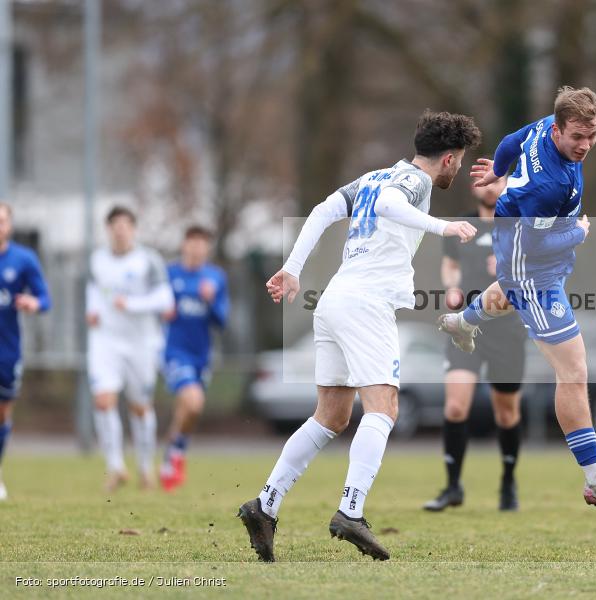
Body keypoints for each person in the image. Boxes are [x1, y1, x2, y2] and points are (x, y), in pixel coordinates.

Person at [237, 110, 481, 562]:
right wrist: (444, 227)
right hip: (366, 303)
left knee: (330, 416)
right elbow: (391, 205)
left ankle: (264, 505)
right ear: (448, 159)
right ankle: (351, 510)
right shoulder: (414, 184)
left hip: (334, 300)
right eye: (461, 160)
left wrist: (293, 269)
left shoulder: (374, 176)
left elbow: (323, 210)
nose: (460, 169)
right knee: (385, 407)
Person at [438, 86, 596, 514]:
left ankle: (465, 322)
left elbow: (511, 142)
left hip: (524, 253)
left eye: (592, 136)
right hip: (531, 268)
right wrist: (580, 233)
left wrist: (498, 170)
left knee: (508, 295)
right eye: (578, 137)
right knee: (573, 371)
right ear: (557, 130)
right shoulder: (548, 185)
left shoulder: (543, 129)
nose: (585, 145)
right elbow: (538, 245)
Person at [423, 174, 528, 512]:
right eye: (484, 182)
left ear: (505, 188)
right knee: (455, 406)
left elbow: (535, 272)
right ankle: (453, 487)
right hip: (464, 325)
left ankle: (508, 483)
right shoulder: (462, 227)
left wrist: (509, 266)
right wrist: (451, 287)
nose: (489, 187)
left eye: (496, 182)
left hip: (507, 328)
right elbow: (450, 265)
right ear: (475, 188)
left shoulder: (517, 227)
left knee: (506, 412)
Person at [87, 206, 174, 492]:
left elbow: (165, 299)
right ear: (109, 229)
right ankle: (116, 467)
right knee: (103, 401)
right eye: (115, 225)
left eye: (125, 225)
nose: (120, 230)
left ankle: (145, 467)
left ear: (133, 229)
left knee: (139, 407)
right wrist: (92, 310)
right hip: (105, 341)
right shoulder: (97, 259)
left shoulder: (148, 260)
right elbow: (94, 290)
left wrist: (132, 305)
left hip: (142, 343)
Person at [158, 226, 229, 492]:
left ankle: (172, 453)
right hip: (175, 351)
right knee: (193, 402)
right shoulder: (169, 274)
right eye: (193, 242)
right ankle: (176, 453)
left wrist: (210, 301)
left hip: (202, 355)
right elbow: (155, 305)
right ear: (184, 245)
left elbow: (221, 320)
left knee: (187, 410)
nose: (197, 247)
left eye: (202, 243)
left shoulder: (215, 277)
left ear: (207, 248)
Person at [0, 202, 52, 501]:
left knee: (3, 412)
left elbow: (45, 297)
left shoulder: (23, 259)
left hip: (6, 349)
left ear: (9, 225)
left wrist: (35, 304)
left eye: (2, 220)